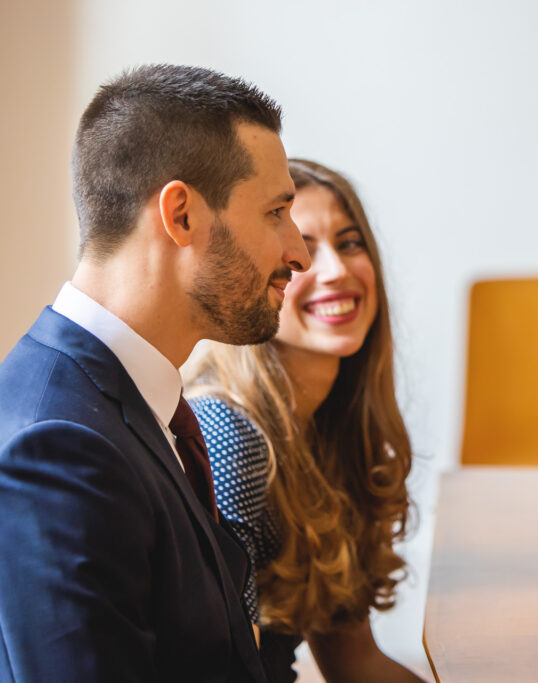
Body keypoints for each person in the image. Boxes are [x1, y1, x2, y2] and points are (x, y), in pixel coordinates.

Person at [0, 64, 311, 682]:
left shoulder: (139, 400)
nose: (298, 251)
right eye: (276, 211)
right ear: (182, 215)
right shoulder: (59, 445)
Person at [184, 159, 422, 682]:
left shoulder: (334, 430)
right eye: (305, 251)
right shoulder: (229, 436)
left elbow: (355, 664)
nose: (335, 270)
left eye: (350, 242)